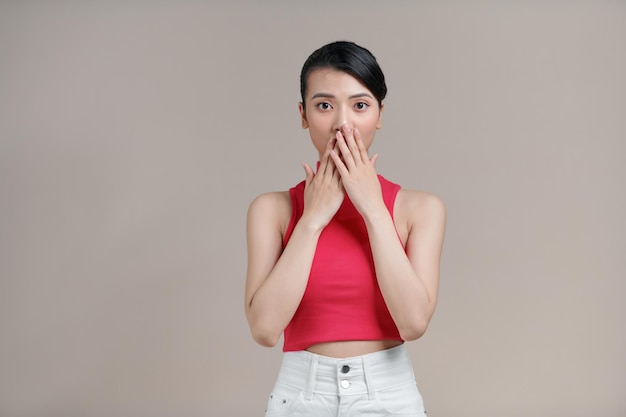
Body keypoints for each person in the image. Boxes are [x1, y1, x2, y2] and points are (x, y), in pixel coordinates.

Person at [244, 40, 446, 417]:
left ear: (380, 114)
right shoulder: (272, 210)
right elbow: (265, 329)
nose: (342, 122)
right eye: (324, 105)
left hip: (388, 396)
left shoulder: (419, 209)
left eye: (360, 105)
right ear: (303, 115)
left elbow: (414, 322)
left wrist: (372, 207)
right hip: (300, 396)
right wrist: (313, 219)